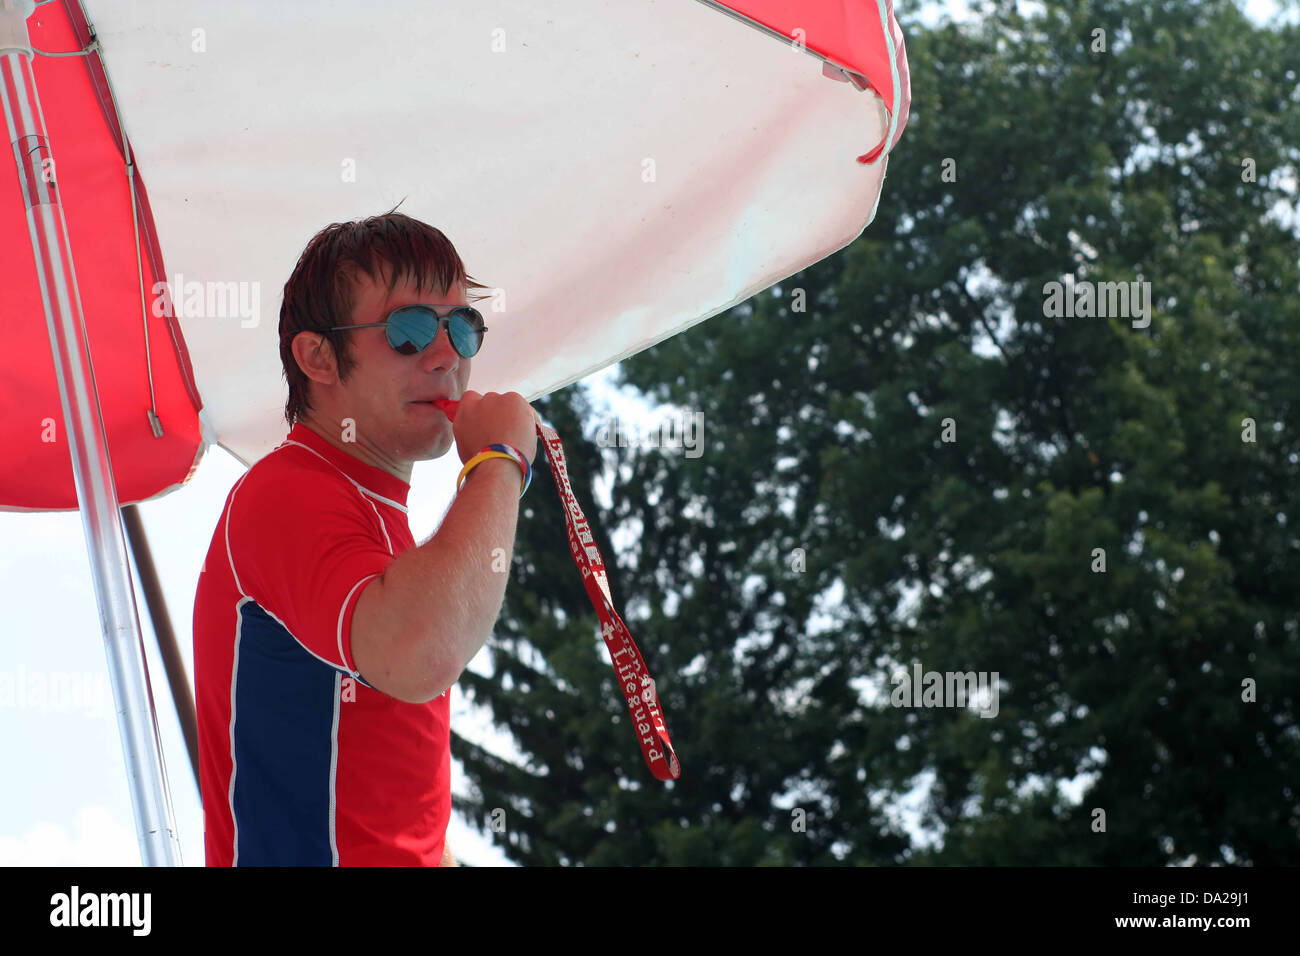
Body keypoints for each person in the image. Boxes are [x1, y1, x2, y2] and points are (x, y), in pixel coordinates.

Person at [193, 211, 537, 865]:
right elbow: (416, 654)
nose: (446, 357)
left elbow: (386, 810)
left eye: (464, 329)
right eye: (408, 332)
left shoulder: (374, 516)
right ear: (318, 356)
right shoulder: (289, 494)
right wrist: (496, 463)